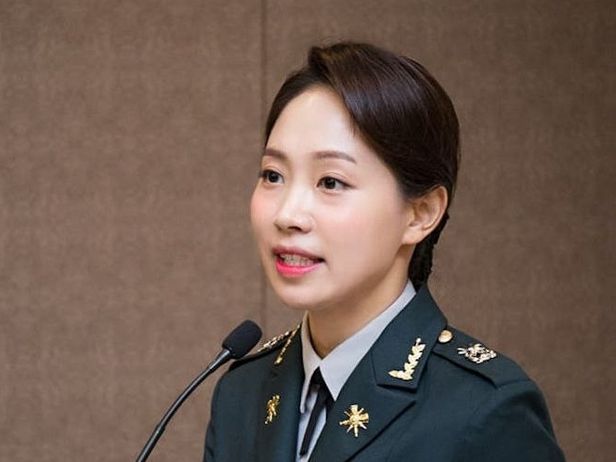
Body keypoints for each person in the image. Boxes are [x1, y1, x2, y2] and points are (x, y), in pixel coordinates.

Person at [203, 42, 565, 462]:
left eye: (331, 182)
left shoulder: (484, 408)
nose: (288, 214)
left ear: (421, 213)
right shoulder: (241, 393)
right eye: (272, 175)